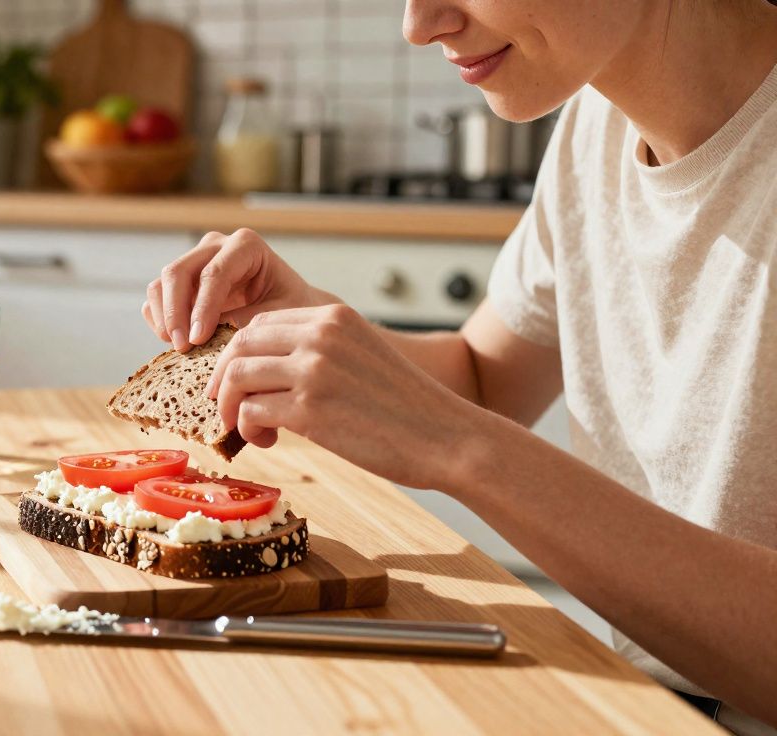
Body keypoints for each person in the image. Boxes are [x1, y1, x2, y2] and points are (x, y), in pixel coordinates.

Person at [142, 1, 777, 732]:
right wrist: (301, 323)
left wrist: (461, 449)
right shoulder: (596, 126)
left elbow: (466, 424)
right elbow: (483, 377)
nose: (420, 24)